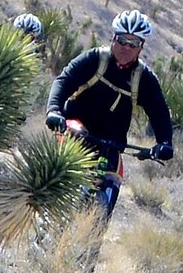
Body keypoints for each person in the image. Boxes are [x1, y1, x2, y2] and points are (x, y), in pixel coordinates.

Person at [45, 10, 175, 170]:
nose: (126, 47)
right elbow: (64, 81)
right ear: (113, 38)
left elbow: (159, 112)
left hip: (110, 145)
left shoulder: (144, 79)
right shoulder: (95, 59)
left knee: (111, 184)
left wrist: (165, 142)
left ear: (141, 47)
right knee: (56, 172)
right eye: (122, 40)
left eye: (133, 44)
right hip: (75, 131)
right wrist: (54, 110)